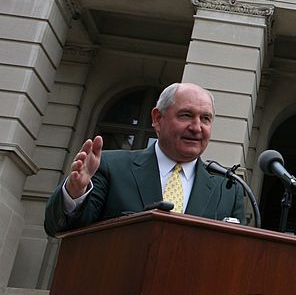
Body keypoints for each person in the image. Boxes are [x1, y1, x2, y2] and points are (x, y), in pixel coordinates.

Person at [44, 82, 245, 236]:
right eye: (185, 115)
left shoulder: (227, 189)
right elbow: (59, 228)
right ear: (158, 119)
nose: (196, 127)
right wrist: (75, 193)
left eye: (205, 119)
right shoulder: (110, 167)